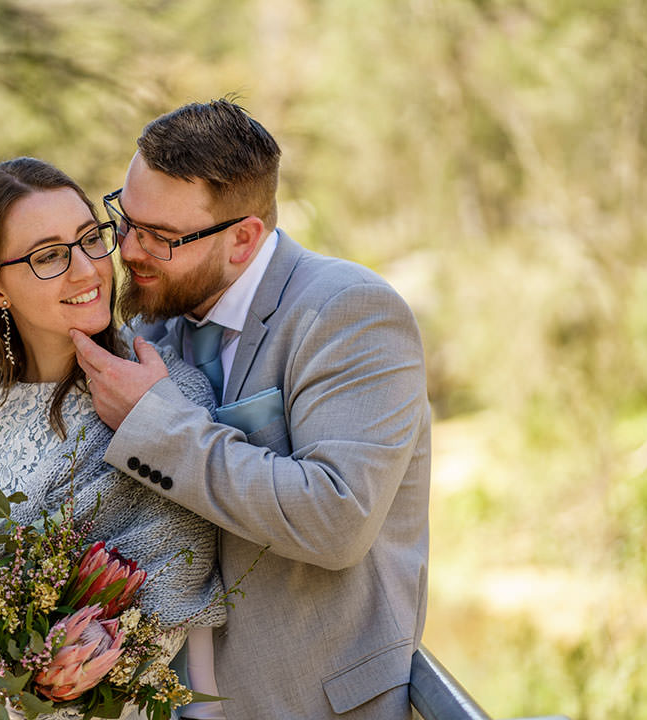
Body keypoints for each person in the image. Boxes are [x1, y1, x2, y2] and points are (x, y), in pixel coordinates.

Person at [71, 99, 431, 720]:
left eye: (161, 237)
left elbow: (335, 517)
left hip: (311, 703)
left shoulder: (350, 313)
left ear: (243, 239)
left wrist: (154, 426)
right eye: (125, 220)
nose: (128, 251)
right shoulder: (152, 327)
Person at [0, 158, 226, 720]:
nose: (88, 271)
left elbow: (157, 621)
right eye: (50, 255)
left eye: (90, 240)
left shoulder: (173, 400)